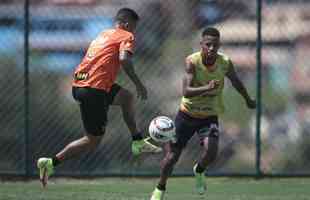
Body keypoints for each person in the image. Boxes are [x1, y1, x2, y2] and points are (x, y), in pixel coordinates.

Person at [37, 8, 162, 187]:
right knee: (92, 140)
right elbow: (125, 59)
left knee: (126, 97)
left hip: (82, 84)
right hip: (94, 89)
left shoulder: (104, 33)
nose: (134, 32)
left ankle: (137, 141)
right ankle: (50, 163)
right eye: (134, 27)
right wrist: (138, 83)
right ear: (127, 24)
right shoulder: (126, 35)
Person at [150, 27, 256, 200]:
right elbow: (186, 91)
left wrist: (247, 99)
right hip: (186, 115)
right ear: (201, 45)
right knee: (171, 157)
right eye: (208, 45)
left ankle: (199, 170)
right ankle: (160, 188)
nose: (212, 48)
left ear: (219, 45)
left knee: (211, 151)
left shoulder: (225, 62)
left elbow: (236, 81)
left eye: (215, 45)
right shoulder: (192, 62)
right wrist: (207, 88)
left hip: (208, 116)